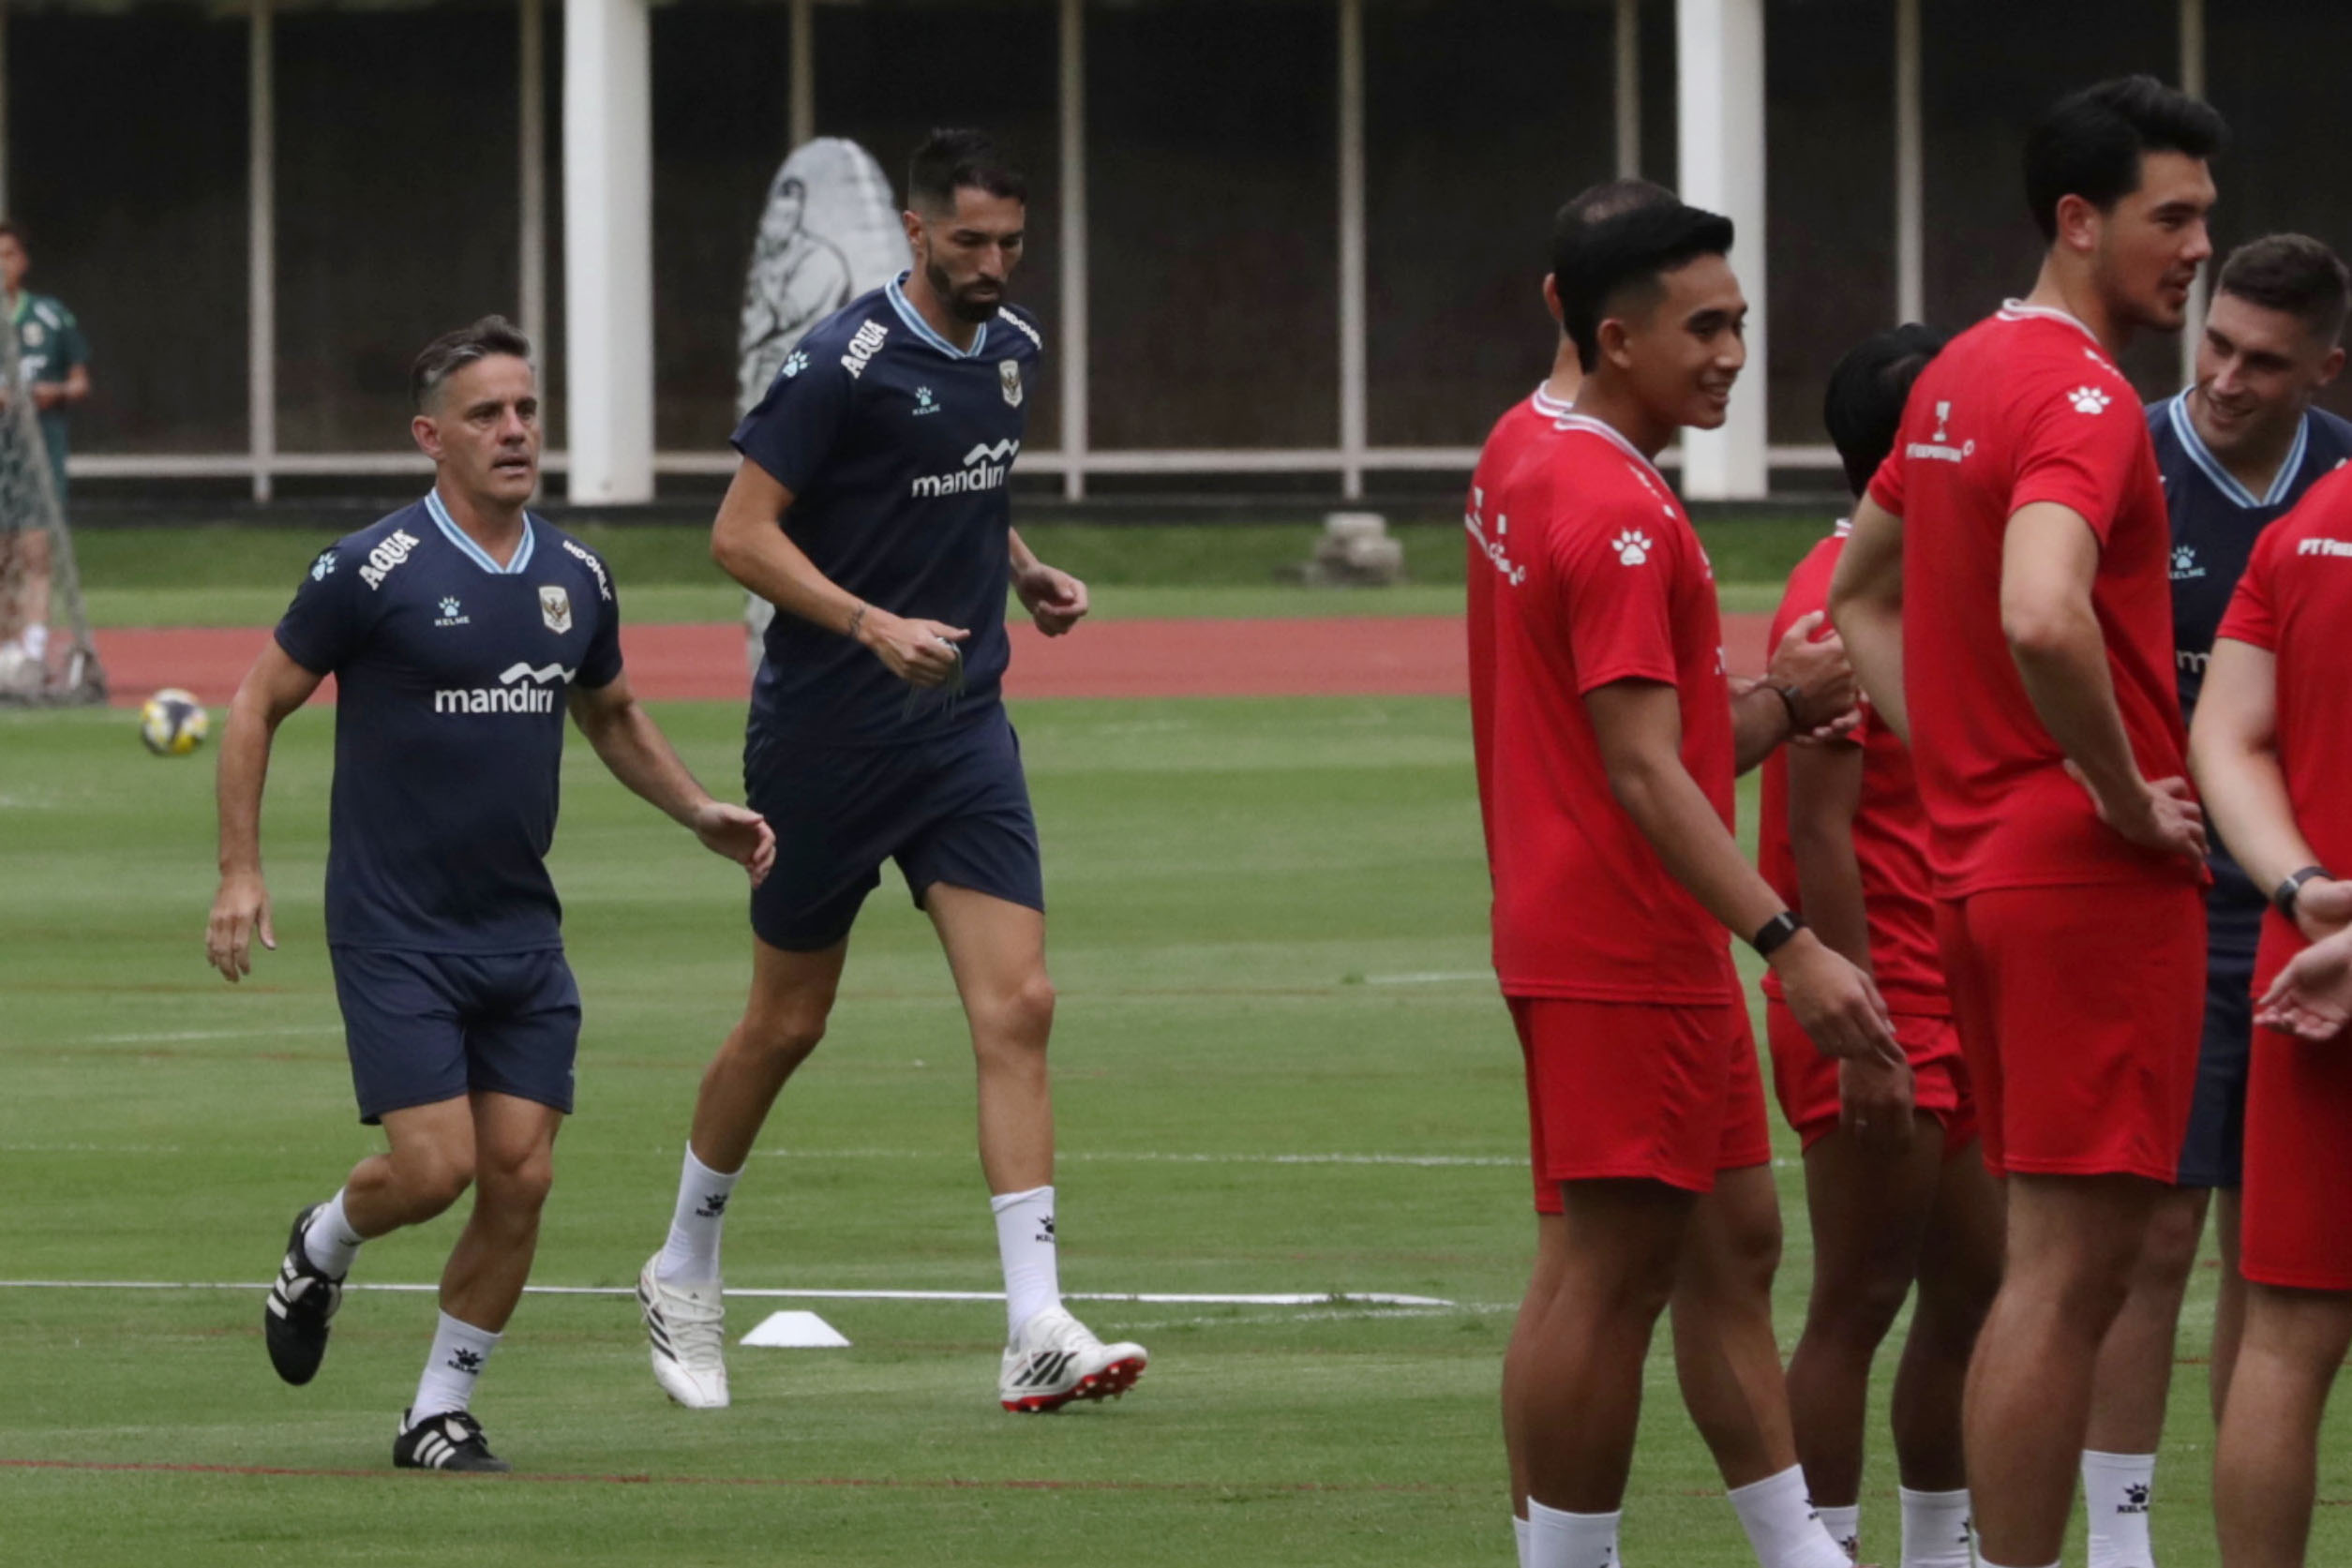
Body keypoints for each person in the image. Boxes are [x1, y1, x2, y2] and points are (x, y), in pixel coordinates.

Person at [205, 317, 774, 1471]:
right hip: (395, 929)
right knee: (434, 1169)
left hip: (520, 930)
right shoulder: (369, 568)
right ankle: (321, 1242)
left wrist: (698, 808)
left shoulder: (575, 576)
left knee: (520, 1175)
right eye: (485, 414)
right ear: (431, 437)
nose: (515, 431)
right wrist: (240, 867)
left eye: (525, 409)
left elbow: (608, 712)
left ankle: (436, 1412)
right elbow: (256, 702)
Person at [634, 128, 1142, 1417]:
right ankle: (683, 1261)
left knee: (1018, 1004)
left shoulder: (1013, 353)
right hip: (826, 741)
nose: (992, 265)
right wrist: (867, 624)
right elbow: (737, 535)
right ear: (915, 232)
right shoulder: (837, 363)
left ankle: (1035, 1320)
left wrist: (1021, 568)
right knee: (787, 1023)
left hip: (962, 730)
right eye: (968, 242)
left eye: (1011, 244)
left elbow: (956, 489)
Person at [1829, 76, 2223, 1568]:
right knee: (2069, 1284)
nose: (2194, 248)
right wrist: (2120, 797)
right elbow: (2044, 612)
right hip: (2084, 888)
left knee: (2037, 1278)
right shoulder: (2081, 398)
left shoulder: (1953, 378)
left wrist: (1964, 762)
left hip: (1977, 870)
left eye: (2205, 217)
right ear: (2079, 220)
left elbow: (1863, 591)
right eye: (2169, 216)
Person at [1479, 183, 1900, 1568]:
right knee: (1606, 1278)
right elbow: (1644, 768)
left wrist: (1774, 703)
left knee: (1734, 1248)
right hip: (1620, 939)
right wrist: (1791, 942)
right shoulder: (1614, 506)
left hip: (1620, 925)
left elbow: (1653, 730)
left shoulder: (1521, 447)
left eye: (1738, 322)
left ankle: (1800, 1552)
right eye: (1702, 329)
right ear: (1611, 336)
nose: (1729, 353)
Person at [2084, 232, 2352, 1567]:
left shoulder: (2332, 485)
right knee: (2156, 1230)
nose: (2228, 379)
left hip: (2308, 900)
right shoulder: (2126, 459)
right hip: (2178, 884)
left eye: (2264, 360)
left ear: (2324, 368)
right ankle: (2123, 1536)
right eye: (2216, 345)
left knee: (2277, 1261)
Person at [1758, 323, 2005, 1568]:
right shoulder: (1834, 605)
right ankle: (1828, 1548)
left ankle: (1937, 1547)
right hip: (1873, 996)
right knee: (1856, 1302)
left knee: (1977, 1286)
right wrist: (1862, 1035)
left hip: (1952, 998)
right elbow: (1815, 835)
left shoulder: (1921, 584)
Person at [2192, 461, 2352, 1567]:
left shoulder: (2311, 521)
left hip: (2313, 976)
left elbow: (2225, 735)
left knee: (2283, 1344)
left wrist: (2302, 892)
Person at [0, 221, 90, 667]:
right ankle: (7, 649)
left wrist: (52, 392)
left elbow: (79, 382)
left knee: (36, 549)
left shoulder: (49, 316)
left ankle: (32, 651)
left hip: (40, 450)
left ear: (23, 261)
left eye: (8, 255)